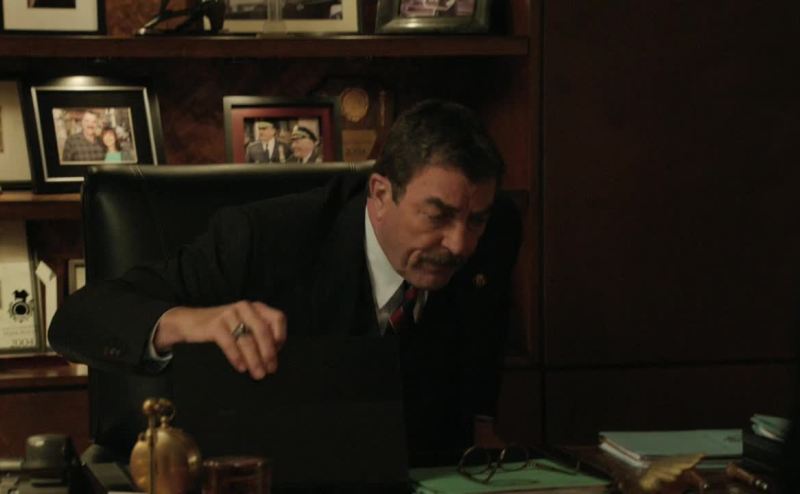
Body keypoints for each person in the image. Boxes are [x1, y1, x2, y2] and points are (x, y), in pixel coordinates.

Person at [49, 99, 522, 462]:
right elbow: (77, 319)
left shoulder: (494, 232)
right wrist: (187, 322)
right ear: (380, 194)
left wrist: (483, 426)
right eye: (436, 216)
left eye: (476, 220)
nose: (459, 243)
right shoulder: (264, 238)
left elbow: (478, 356)